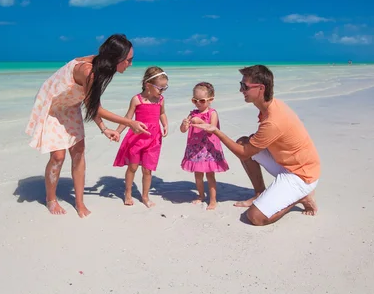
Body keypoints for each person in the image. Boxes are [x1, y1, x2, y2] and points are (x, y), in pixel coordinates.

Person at [25, 34, 150, 218]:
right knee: (58, 156)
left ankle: (79, 202)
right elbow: (97, 108)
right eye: (128, 60)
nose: (130, 64)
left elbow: (91, 104)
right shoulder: (88, 71)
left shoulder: (102, 67)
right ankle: (51, 199)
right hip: (52, 106)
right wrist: (129, 122)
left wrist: (104, 128)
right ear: (116, 59)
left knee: (78, 152)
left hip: (70, 106)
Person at [191, 65, 320, 226]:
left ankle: (300, 198)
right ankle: (260, 192)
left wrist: (215, 131)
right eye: (241, 85)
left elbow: (244, 154)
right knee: (244, 141)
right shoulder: (271, 106)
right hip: (288, 163)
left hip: (301, 174)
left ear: (261, 88)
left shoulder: (273, 120)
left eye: (245, 86)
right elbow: (250, 146)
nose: (241, 90)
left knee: (255, 217)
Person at [113, 66, 169, 208]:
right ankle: (128, 193)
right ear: (148, 85)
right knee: (132, 167)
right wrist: (118, 131)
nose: (162, 91)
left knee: (147, 169)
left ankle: (145, 196)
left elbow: (162, 113)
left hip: (154, 138)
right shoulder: (137, 100)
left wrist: (165, 125)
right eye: (160, 88)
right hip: (137, 138)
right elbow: (128, 118)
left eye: (164, 88)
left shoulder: (160, 100)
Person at [180, 82, 229, 210]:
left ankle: (213, 200)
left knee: (210, 175)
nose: (198, 103)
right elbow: (183, 130)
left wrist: (200, 121)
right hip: (195, 148)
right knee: (197, 175)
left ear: (210, 100)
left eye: (201, 101)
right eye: (194, 100)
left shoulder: (212, 113)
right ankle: (201, 195)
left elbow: (211, 128)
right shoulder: (192, 113)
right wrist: (184, 124)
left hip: (208, 149)